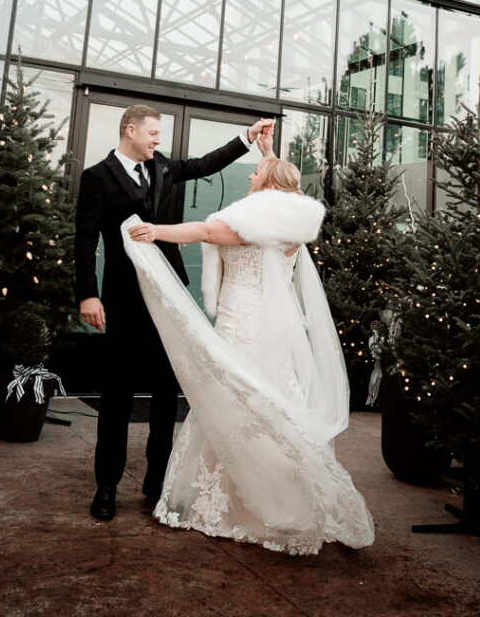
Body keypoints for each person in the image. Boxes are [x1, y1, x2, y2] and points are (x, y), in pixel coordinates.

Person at [124, 141, 374, 556]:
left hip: (243, 322)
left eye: (257, 173)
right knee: (268, 402)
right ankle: (274, 491)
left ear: (269, 182)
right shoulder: (292, 223)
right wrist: (269, 152)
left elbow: (206, 231)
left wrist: (157, 231)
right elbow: (268, 196)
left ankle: (249, 506)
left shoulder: (251, 222)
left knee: (234, 403)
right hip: (274, 328)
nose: (250, 176)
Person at [74, 102, 274, 521]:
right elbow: (84, 239)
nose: (157, 140)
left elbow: (205, 164)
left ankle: (157, 482)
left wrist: (247, 137)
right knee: (117, 395)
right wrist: (88, 295)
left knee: (167, 394)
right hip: (124, 300)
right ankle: (106, 485)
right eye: (152, 134)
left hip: (170, 299)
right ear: (130, 131)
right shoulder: (96, 178)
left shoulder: (163, 168)